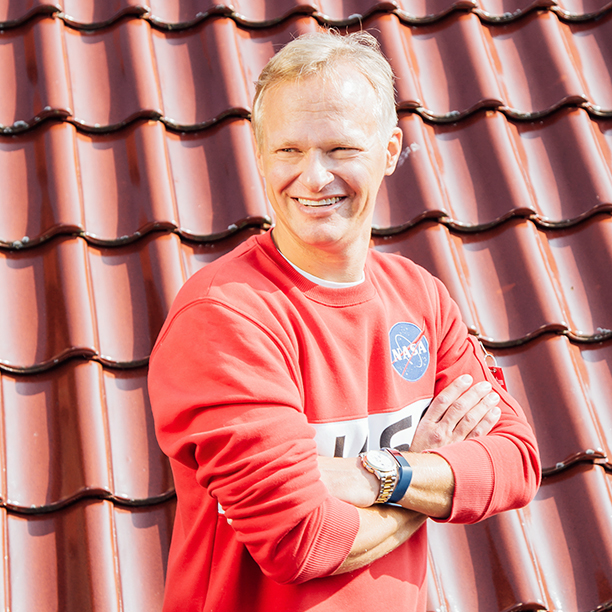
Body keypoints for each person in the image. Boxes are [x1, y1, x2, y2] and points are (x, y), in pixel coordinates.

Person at [148, 30, 540, 612]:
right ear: (258, 152)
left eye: (340, 149)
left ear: (388, 151)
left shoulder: (420, 298)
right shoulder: (225, 316)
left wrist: (378, 475)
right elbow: (299, 540)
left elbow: (515, 460)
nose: (313, 178)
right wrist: (420, 477)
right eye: (288, 151)